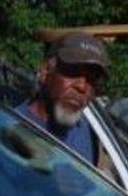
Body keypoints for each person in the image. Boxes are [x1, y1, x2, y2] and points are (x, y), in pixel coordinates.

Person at [13, 31, 110, 167]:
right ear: (45, 71)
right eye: (73, 72)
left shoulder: (86, 130)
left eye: (91, 79)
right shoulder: (12, 133)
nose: (82, 86)